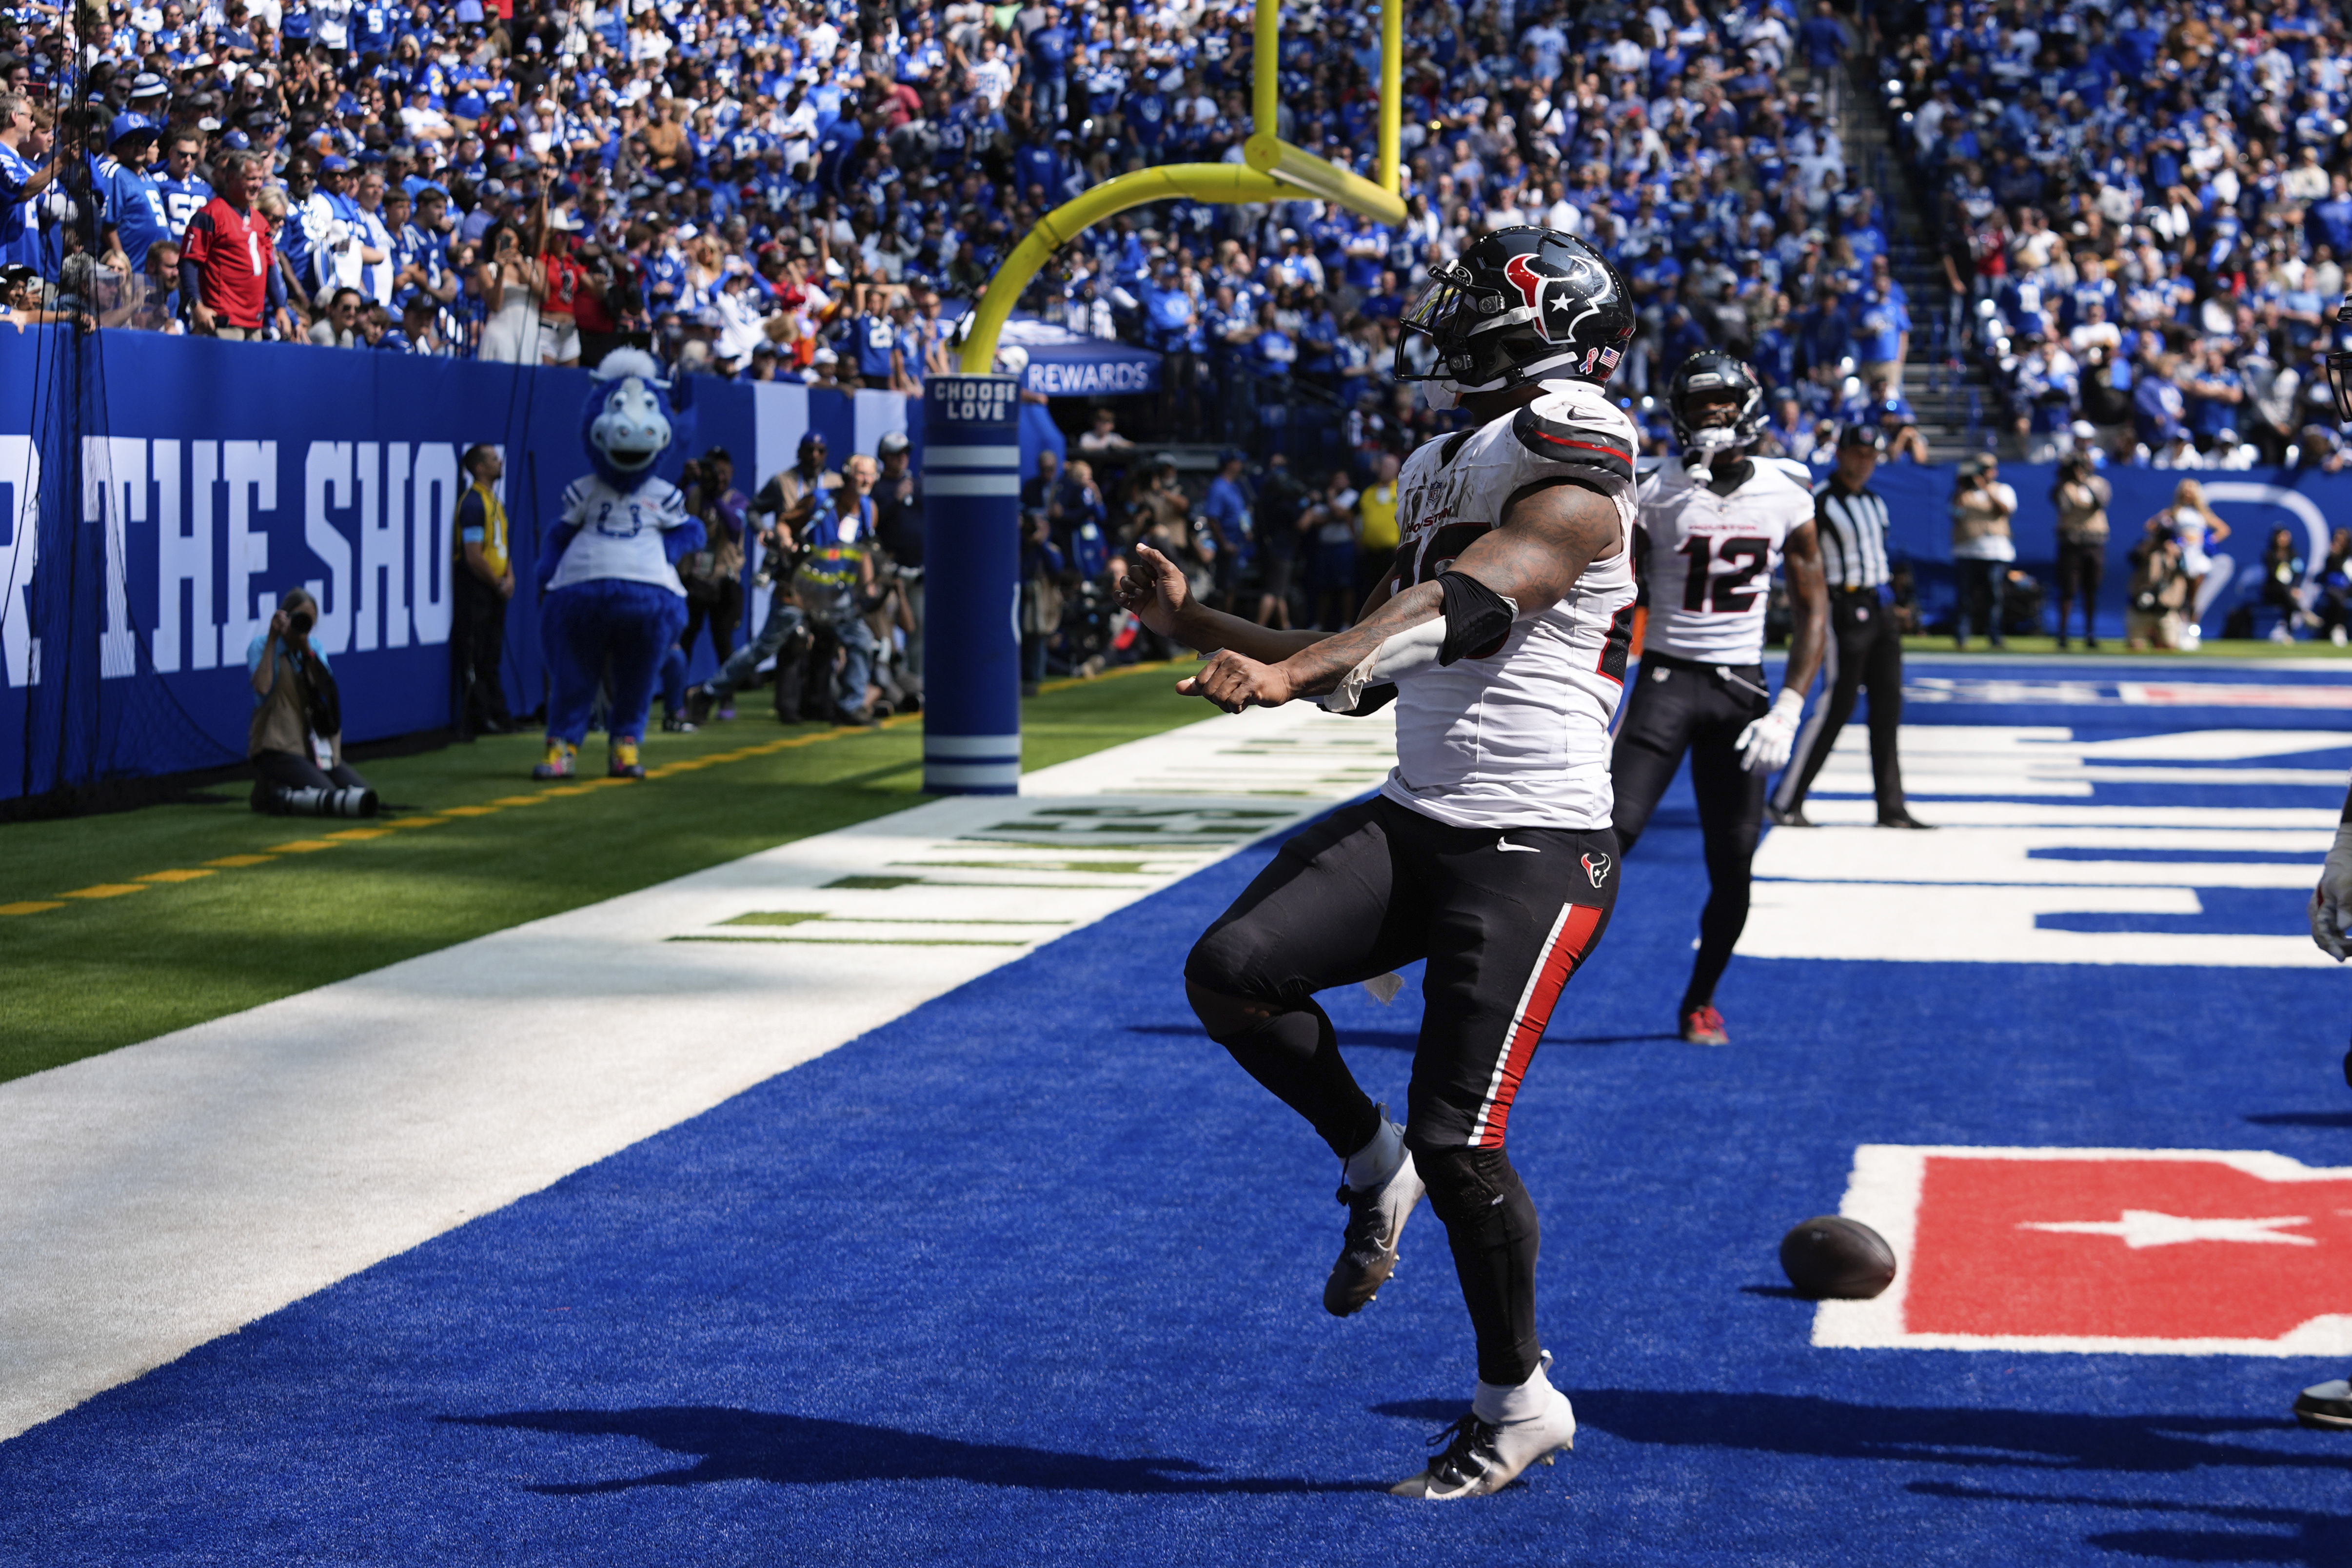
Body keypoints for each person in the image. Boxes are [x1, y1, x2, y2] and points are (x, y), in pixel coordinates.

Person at [1115, 229, 1636, 1500]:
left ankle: (1518, 1401)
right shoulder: (1437, 459)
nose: (1442, 309)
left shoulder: (1577, 443)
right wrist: (1200, 625)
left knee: (1463, 1137)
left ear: (1533, 315)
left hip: (1534, 837)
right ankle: (1365, 1154)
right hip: (1421, 811)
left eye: (1472, 291)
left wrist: (1295, 668)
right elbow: (1366, 647)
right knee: (1230, 971)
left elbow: (1483, 595)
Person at [1610, 352, 1828, 1047]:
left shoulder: (1788, 489)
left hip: (1739, 689)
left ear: (1748, 405)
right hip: (1667, 680)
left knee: (1733, 860)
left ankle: (1699, 999)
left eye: (1722, 401)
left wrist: (1791, 704)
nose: (1712, 414)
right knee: (1602, 840)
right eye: (1698, 403)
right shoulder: (1649, 488)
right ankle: (1524, 981)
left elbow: (1811, 606)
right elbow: (1609, 599)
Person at [1771, 425, 1927, 830]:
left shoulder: (1875, 501)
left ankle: (1891, 806)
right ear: (1839, 454)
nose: (1865, 462)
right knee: (1835, 706)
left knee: (1888, 707)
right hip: (1842, 605)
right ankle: (1787, 800)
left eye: (1871, 455)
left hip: (1878, 605)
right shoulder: (1818, 501)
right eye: (1857, 453)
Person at [687, 432, 830, 724]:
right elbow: (764, 517)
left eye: (820, 450)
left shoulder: (836, 485)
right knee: (768, 644)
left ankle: (819, 702)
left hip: (827, 580)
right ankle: (710, 693)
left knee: (835, 639)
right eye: (809, 449)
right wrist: (765, 533)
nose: (814, 455)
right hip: (791, 574)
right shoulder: (783, 482)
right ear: (799, 451)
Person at [247, 588, 377, 817]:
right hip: (278, 746)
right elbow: (262, 688)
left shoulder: (314, 648)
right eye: (297, 618)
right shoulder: (262, 646)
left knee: (361, 795)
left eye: (308, 622)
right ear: (284, 616)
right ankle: (271, 792)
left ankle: (278, 789)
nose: (302, 626)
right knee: (328, 799)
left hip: (316, 748)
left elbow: (327, 691)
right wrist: (273, 638)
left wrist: (305, 648)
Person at [452, 443, 514, 735]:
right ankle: (480, 716)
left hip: (495, 587)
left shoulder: (494, 502)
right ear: (479, 468)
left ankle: (497, 712)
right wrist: (497, 582)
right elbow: (473, 555)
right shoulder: (473, 504)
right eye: (492, 458)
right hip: (477, 589)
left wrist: (509, 576)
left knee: (492, 654)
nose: (499, 461)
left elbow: (501, 547)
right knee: (476, 653)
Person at [1949, 454, 2016, 650]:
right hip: (1967, 551)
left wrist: (1985, 488)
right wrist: (1961, 488)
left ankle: (1995, 637)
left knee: (1994, 597)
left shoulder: (2002, 490)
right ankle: (1962, 637)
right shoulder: (1962, 494)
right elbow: (1955, 514)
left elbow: (2004, 510)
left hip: (1995, 552)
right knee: (1965, 598)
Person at [874, 430, 924, 687]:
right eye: (896, 455)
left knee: (917, 625)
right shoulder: (878, 489)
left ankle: (916, 682)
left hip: (916, 569)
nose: (902, 459)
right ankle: (886, 681)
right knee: (883, 627)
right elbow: (873, 524)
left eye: (905, 454)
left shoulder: (917, 487)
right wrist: (895, 500)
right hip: (886, 571)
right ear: (885, 458)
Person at [2161, 478, 2233, 650]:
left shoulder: (2203, 513)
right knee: (2179, 595)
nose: (2188, 493)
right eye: (2185, 490)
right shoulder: (2174, 512)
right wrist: (2172, 542)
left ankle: (2193, 633)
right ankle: (2178, 632)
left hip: (2197, 557)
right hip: (2181, 556)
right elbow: (2153, 526)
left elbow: (2223, 529)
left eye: (2191, 490)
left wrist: (2207, 540)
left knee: (2195, 598)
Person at [2051, 452, 2109, 650]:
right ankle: (2063, 634)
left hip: (2094, 542)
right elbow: (2061, 505)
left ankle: (2090, 633)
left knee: (2091, 591)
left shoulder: (2099, 483)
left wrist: (2085, 482)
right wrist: (2064, 478)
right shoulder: (2066, 487)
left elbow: (2100, 502)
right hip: (2072, 543)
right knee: (2068, 590)